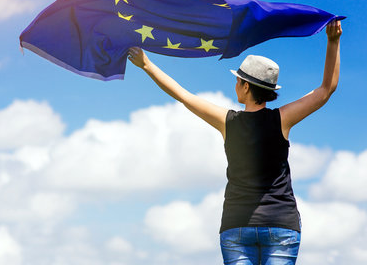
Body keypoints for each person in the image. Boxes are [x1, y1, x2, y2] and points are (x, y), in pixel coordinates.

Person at [128, 20, 342, 264]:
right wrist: (332, 41)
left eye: (238, 80)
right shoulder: (283, 119)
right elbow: (326, 90)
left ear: (246, 86)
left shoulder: (227, 121)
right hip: (281, 224)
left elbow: (183, 96)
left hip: (237, 226)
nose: (235, 84)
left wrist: (146, 65)